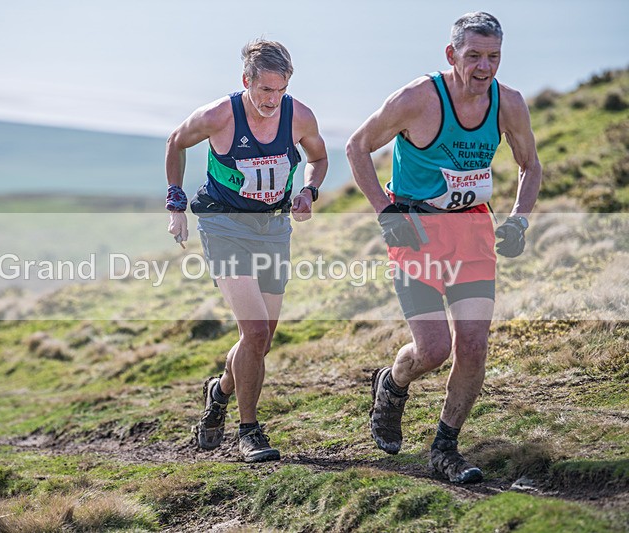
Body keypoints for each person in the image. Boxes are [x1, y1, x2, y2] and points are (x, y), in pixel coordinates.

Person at [346, 12, 541, 483]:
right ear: (450, 54)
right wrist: (384, 211)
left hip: (472, 229)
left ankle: (444, 448)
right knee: (433, 349)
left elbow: (530, 166)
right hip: (416, 228)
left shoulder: (508, 103)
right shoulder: (418, 99)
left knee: (473, 347)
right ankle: (391, 387)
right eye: (473, 55)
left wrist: (519, 218)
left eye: (493, 57)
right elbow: (357, 146)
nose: (484, 67)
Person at [165, 38, 328, 463]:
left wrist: (310, 190)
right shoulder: (219, 115)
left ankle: (218, 393)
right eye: (264, 90)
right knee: (254, 332)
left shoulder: (299, 116)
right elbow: (176, 142)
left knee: (262, 340)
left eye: (280, 90)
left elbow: (319, 158)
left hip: (273, 229)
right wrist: (176, 203)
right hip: (224, 225)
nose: (273, 100)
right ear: (246, 81)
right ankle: (249, 431)